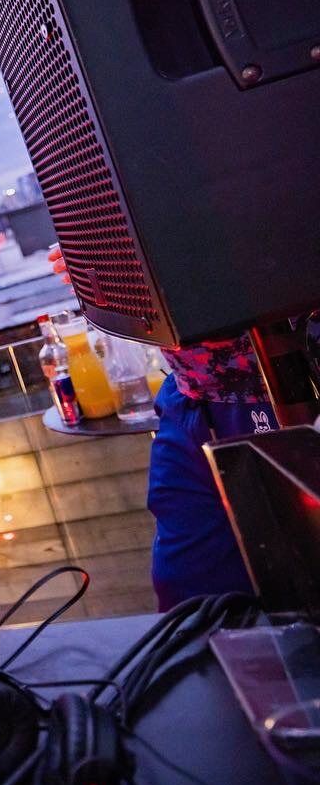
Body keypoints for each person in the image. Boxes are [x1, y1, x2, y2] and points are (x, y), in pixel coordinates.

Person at [46, 246, 274, 609]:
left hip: (275, 385)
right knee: (186, 588)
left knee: (294, 556)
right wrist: (96, 254)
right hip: (190, 392)